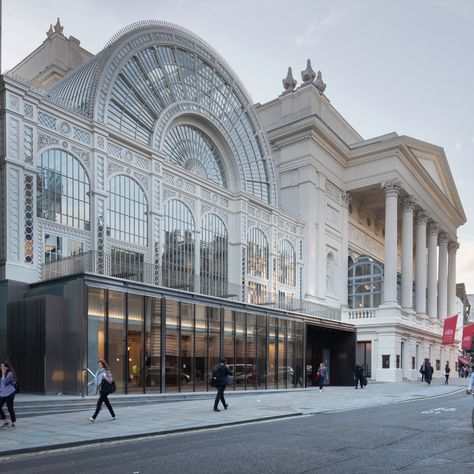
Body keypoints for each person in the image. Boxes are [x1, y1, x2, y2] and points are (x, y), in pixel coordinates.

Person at [0, 362, 17, 428]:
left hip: (10, 393)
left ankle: (13, 423)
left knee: (10, 408)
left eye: (2, 366)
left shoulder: (10, 374)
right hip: (3, 393)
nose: (1, 367)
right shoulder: (1, 373)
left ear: (6, 367)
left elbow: (5, 382)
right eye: (1, 366)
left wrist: (3, 373)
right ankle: (6, 421)